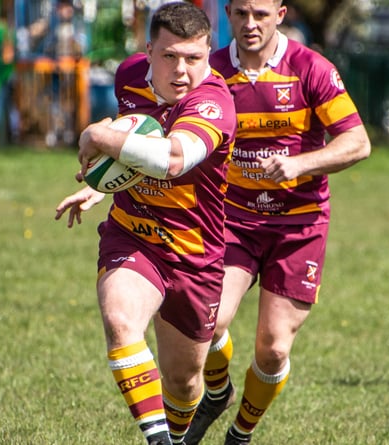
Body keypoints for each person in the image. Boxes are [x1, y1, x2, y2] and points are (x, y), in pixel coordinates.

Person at [183, 1, 371, 444]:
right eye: (241, 13)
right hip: (232, 222)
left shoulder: (311, 68)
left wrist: (299, 164)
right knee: (204, 323)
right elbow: (164, 130)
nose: (250, 25)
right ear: (227, 13)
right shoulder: (208, 72)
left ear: (281, 13)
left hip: (297, 227)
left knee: (273, 350)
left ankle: (240, 434)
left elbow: (358, 142)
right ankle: (217, 392)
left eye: (261, 14)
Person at [55, 3, 236, 444]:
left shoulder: (214, 101)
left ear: (208, 54)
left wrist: (97, 135)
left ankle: (205, 402)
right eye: (170, 56)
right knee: (120, 322)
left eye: (194, 58)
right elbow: (135, 144)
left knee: (183, 383)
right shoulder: (128, 76)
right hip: (133, 234)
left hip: (194, 254)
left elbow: (171, 158)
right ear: (148, 49)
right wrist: (101, 187)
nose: (181, 71)